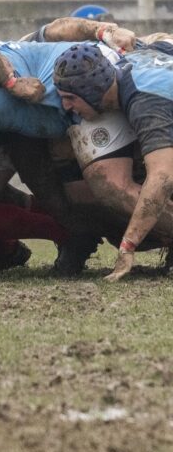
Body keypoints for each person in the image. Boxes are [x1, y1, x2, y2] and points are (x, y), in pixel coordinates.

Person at [54, 42, 173, 281]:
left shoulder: (145, 102)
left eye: (70, 98)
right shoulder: (134, 59)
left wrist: (128, 245)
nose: (66, 106)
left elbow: (163, 177)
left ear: (93, 89)